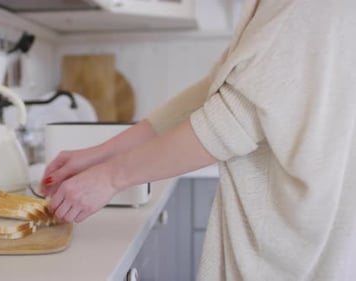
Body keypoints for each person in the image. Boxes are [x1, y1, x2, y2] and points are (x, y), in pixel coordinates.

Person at [41, 0, 356, 280]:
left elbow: (232, 120)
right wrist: (100, 155)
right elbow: (214, 93)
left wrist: (110, 178)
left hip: (290, 251)